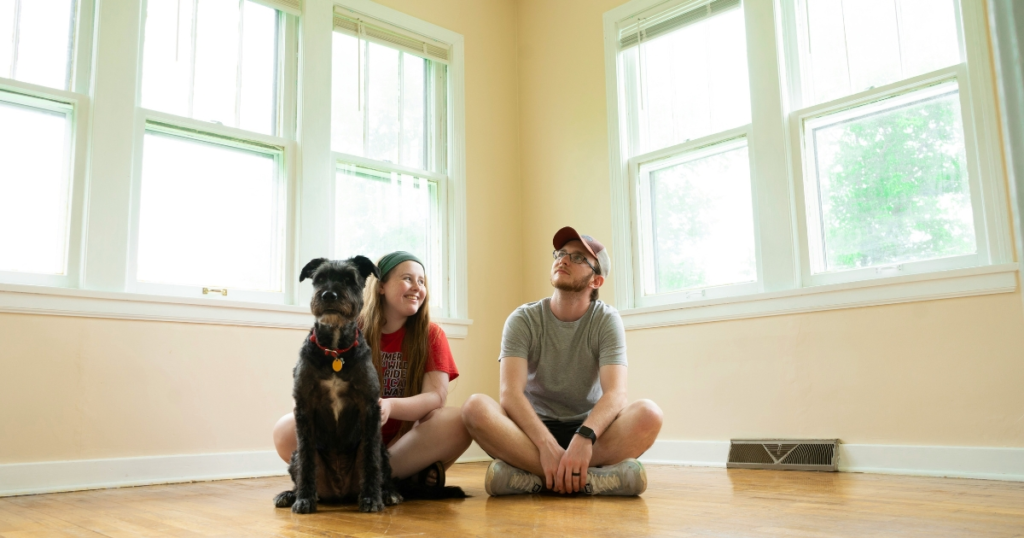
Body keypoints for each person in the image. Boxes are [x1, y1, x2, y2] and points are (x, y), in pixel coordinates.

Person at [461, 227, 663, 496]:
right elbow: (510, 394)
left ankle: (533, 478)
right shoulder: (523, 319)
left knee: (649, 414)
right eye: (561, 253)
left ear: (596, 281)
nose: (564, 260)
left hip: (591, 431)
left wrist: (584, 437)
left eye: (578, 258)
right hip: (531, 432)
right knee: (474, 408)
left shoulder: (606, 320)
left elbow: (616, 393)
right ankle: (591, 479)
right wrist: (545, 444)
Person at [273, 251, 471, 486]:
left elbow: (436, 397)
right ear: (381, 286)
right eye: (407, 278)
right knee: (285, 429)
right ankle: (398, 478)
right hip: (349, 442)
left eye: (421, 281)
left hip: (404, 441)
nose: (417, 287)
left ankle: (375, 476)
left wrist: (390, 405)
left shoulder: (432, 334)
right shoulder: (350, 326)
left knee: (458, 421)